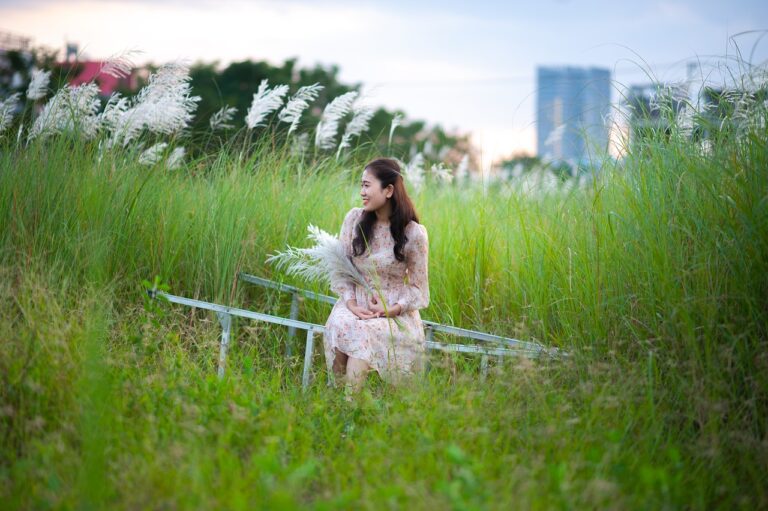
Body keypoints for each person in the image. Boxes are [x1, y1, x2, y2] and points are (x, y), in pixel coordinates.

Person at [323, 157, 430, 397]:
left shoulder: (414, 233)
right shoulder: (354, 219)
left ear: (388, 190)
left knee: (364, 331)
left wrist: (391, 308)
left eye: (367, 185)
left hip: (394, 312)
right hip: (355, 302)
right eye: (361, 185)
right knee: (341, 323)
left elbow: (419, 289)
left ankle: (350, 406)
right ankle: (336, 400)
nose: (362, 192)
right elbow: (341, 269)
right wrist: (351, 303)